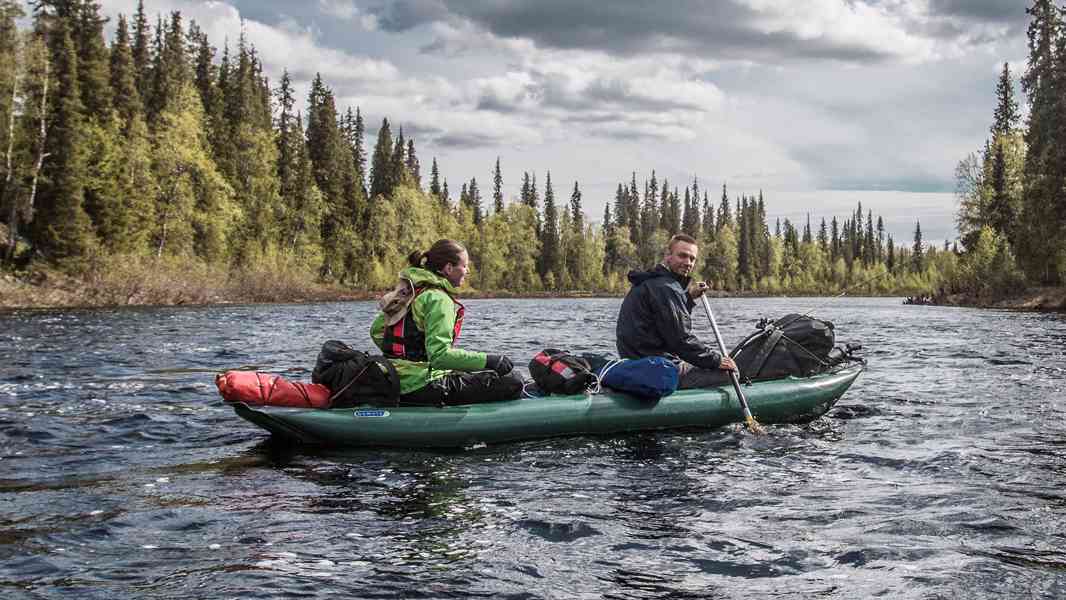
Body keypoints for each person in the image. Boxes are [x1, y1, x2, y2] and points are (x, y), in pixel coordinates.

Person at [371, 239, 524, 405]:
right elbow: (439, 356)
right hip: (423, 386)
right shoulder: (438, 299)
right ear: (449, 268)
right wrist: (490, 360)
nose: (468, 271)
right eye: (464, 266)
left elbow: (377, 331)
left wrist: (403, 359)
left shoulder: (410, 292)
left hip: (392, 379)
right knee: (514, 380)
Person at [615, 233, 738, 389]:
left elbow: (666, 323)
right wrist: (716, 360)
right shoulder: (667, 288)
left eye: (692, 259)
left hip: (638, 361)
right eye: (682, 256)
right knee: (731, 374)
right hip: (656, 368)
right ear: (668, 256)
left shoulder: (651, 281)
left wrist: (689, 298)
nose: (688, 263)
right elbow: (680, 341)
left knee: (695, 362)